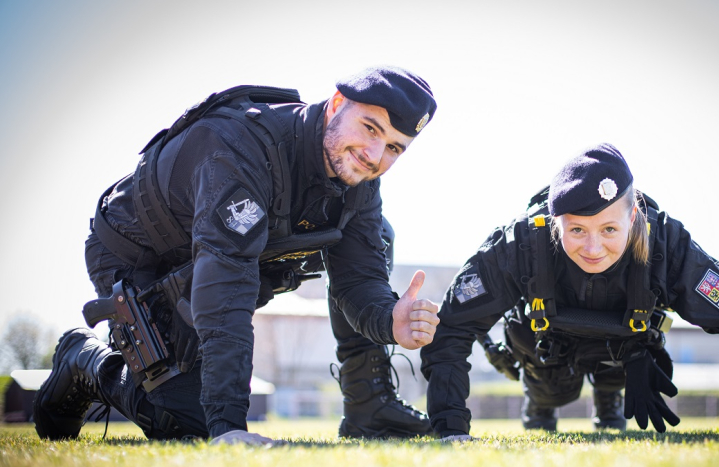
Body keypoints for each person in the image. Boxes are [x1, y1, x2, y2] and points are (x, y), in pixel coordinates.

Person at [34, 66, 441, 445]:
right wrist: (229, 425)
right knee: (186, 423)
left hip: (207, 265)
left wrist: (390, 318)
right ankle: (82, 359)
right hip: (136, 254)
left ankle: (369, 402)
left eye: (393, 148)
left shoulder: (359, 179)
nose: (374, 155)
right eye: (370, 128)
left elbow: (359, 279)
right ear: (336, 104)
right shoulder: (242, 148)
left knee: (377, 234)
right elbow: (227, 286)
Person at [421, 144, 719, 441]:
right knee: (553, 391)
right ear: (554, 222)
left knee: (622, 372)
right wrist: (451, 430)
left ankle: (609, 396)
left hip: (624, 348)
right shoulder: (520, 244)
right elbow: (452, 325)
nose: (594, 248)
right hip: (548, 348)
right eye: (577, 230)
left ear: (633, 217)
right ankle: (539, 403)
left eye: (609, 229)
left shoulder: (668, 247)